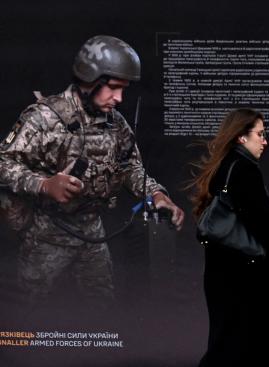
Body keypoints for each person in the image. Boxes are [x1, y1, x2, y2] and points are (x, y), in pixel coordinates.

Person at [0, 35, 184, 305]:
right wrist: (44, 185)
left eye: (124, 89)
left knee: (101, 308)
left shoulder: (116, 123)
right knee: (33, 307)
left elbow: (130, 166)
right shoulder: (44, 118)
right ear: (89, 79)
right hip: (47, 233)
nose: (119, 98)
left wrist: (157, 195)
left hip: (93, 234)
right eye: (112, 87)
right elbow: (3, 163)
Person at [190, 108, 269, 367]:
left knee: (233, 350)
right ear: (242, 138)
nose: (265, 141)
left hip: (225, 276)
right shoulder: (243, 170)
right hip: (245, 280)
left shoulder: (226, 167)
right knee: (256, 352)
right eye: (260, 134)